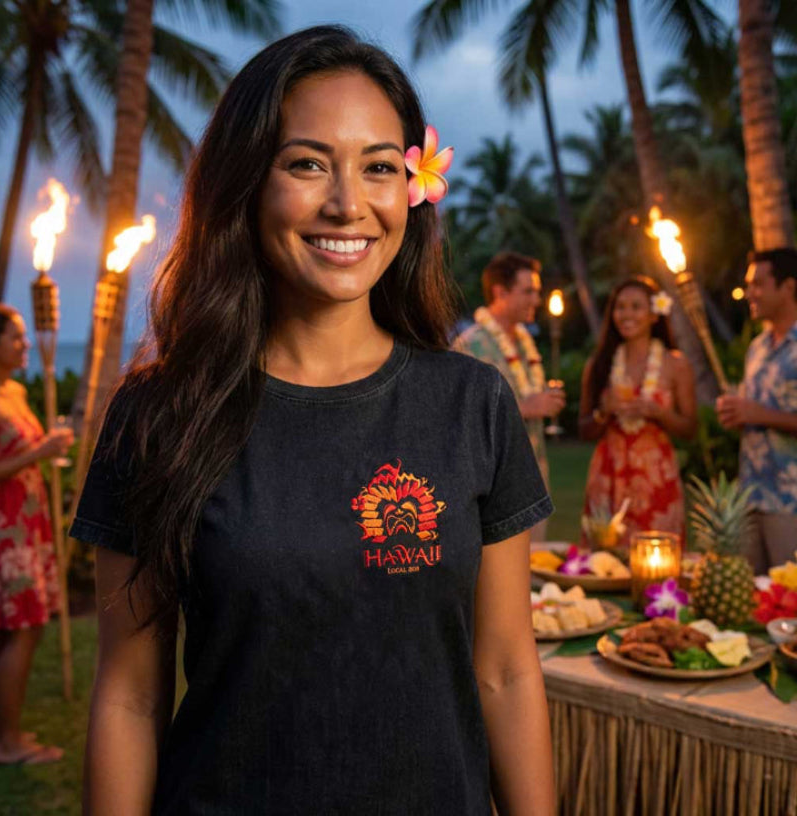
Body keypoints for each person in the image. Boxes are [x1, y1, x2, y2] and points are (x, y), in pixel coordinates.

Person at [75, 27, 555, 815]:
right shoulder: (161, 415)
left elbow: (504, 667)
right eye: (307, 163)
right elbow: (129, 697)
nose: (348, 204)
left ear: (412, 188)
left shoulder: (473, 402)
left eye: (377, 167)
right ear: (247, 182)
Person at [0, 305, 73, 765]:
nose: (25, 345)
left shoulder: (17, 393)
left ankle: (7, 731)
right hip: (5, 532)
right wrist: (38, 453)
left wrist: (48, 450)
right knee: (22, 630)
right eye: (16, 337)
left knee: (21, 631)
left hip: (29, 523)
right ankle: (7, 743)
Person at [454, 252, 565, 542]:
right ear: (500, 292)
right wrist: (525, 408)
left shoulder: (526, 342)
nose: (536, 300)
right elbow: (457, 414)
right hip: (490, 479)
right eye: (528, 291)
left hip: (534, 471)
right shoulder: (469, 344)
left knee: (534, 567)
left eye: (537, 292)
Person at [579, 277, 697, 548]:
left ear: (654, 314)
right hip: (609, 473)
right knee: (604, 561)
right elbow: (584, 430)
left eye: (636, 307)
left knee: (656, 560)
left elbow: (690, 429)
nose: (626, 314)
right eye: (620, 307)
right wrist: (604, 412)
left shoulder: (675, 365)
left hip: (656, 477)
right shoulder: (599, 365)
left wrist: (660, 413)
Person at [717, 248, 797, 573]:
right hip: (749, 497)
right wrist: (736, 415)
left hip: (789, 502)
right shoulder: (757, 348)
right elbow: (753, 414)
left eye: (759, 284)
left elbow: (760, 413)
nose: (750, 293)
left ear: (789, 287)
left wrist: (757, 414)